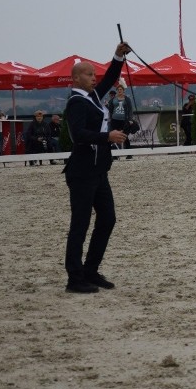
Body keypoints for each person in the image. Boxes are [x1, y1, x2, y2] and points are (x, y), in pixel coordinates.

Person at [62, 42, 131, 294]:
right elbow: (78, 134)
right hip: (81, 172)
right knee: (79, 224)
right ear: (76, 78)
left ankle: (91, 270)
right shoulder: (76, 103)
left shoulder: (92, 97)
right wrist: (107, 137)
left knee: (108, 219)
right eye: (89, 74)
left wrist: (117, 56)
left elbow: (111, 78)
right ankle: (74, 277)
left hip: (98, 170)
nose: (94, 78)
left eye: (94, 74)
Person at [107, 85, 134, 156]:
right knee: (114, 137)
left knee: (125, 136)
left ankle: (129, 154)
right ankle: (115, 154)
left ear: (123, 91)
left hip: (124, 120)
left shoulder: (127, 99)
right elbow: (110, 109)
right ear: (117, 91)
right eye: (118, 89)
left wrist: (130, 119)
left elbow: (130, 110)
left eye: (121, 89)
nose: (119, 91)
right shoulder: (113, 99)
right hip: (115, 120)